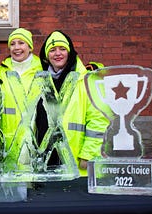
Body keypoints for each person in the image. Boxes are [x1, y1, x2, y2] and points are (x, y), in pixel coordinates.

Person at [36, 30, 109, 176]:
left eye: (62, 49)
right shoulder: (40, 80)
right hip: (45, 162)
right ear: (46, 56)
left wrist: (89, 155)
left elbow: (99, 119)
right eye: (52, 50)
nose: (57, 53)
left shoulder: (87, 79)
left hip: (75, 160)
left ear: (70, 53)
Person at [0, 28, 43, 168]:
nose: (16, 48)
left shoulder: (43, 70)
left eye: (21, 43)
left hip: (35, 142)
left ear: (30, 47)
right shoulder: (0, 72)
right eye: (13, 44)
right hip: (8, 144)